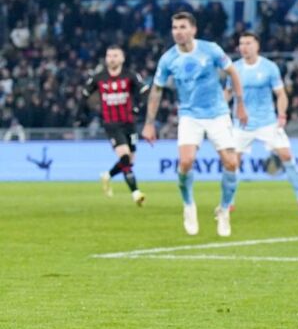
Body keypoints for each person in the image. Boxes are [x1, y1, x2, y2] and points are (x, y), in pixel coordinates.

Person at [141, 12, 248, 237]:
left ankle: (224, 210)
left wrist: (240, 105)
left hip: (217, 113)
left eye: (182, 27)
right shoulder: (168, 59)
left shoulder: (211, 50)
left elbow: (233, 72)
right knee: (186, 161)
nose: (178, 32)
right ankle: (189, 205)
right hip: (190, 115)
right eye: (174, 28)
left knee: (231, 163)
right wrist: (149, 123)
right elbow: (156, 89)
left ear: (193, 30)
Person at [228, 32, 298, 212]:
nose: (244, 47)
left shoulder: (269, 67)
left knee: (286, 155)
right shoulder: (234, 68)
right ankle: (228, 202)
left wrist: (282, 115)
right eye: (241, 43)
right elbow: (227, 93)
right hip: (242, 123)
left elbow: (281, 94)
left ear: (257, 46)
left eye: (248, 43)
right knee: (232, 162)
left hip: (267, 122)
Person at [81, 45, 147, 206]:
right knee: (124, 157)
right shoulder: (99, 77)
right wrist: (82, 114)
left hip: (129, 123)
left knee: (130, 161)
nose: (112, 59)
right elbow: (84, 94)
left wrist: (138, 107)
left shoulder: (130, 75)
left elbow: (145, 92)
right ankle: (136, 193)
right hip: (111, 124)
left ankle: (107, 175)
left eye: (115, 55)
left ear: (122, 58)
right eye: (109, 56)